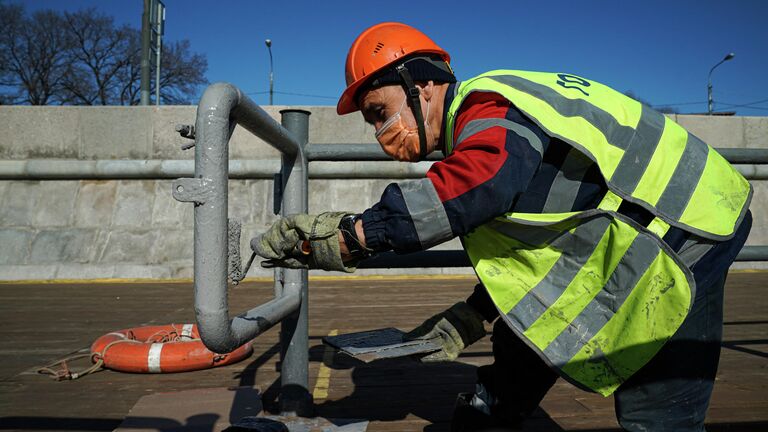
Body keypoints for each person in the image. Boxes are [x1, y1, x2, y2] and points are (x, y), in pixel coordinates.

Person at [251, 22, 752, 431]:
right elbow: (539, 258)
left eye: (380, 113)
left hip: (691, 234)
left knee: (654, 413)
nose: (381, 133)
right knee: (532, 321)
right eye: (370, 123)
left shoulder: (488, 109)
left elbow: (481, 181)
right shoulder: (485, 121)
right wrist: (471, 317)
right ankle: (496, 408)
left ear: (421, 84)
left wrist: (349, 236)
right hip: (654, 226)